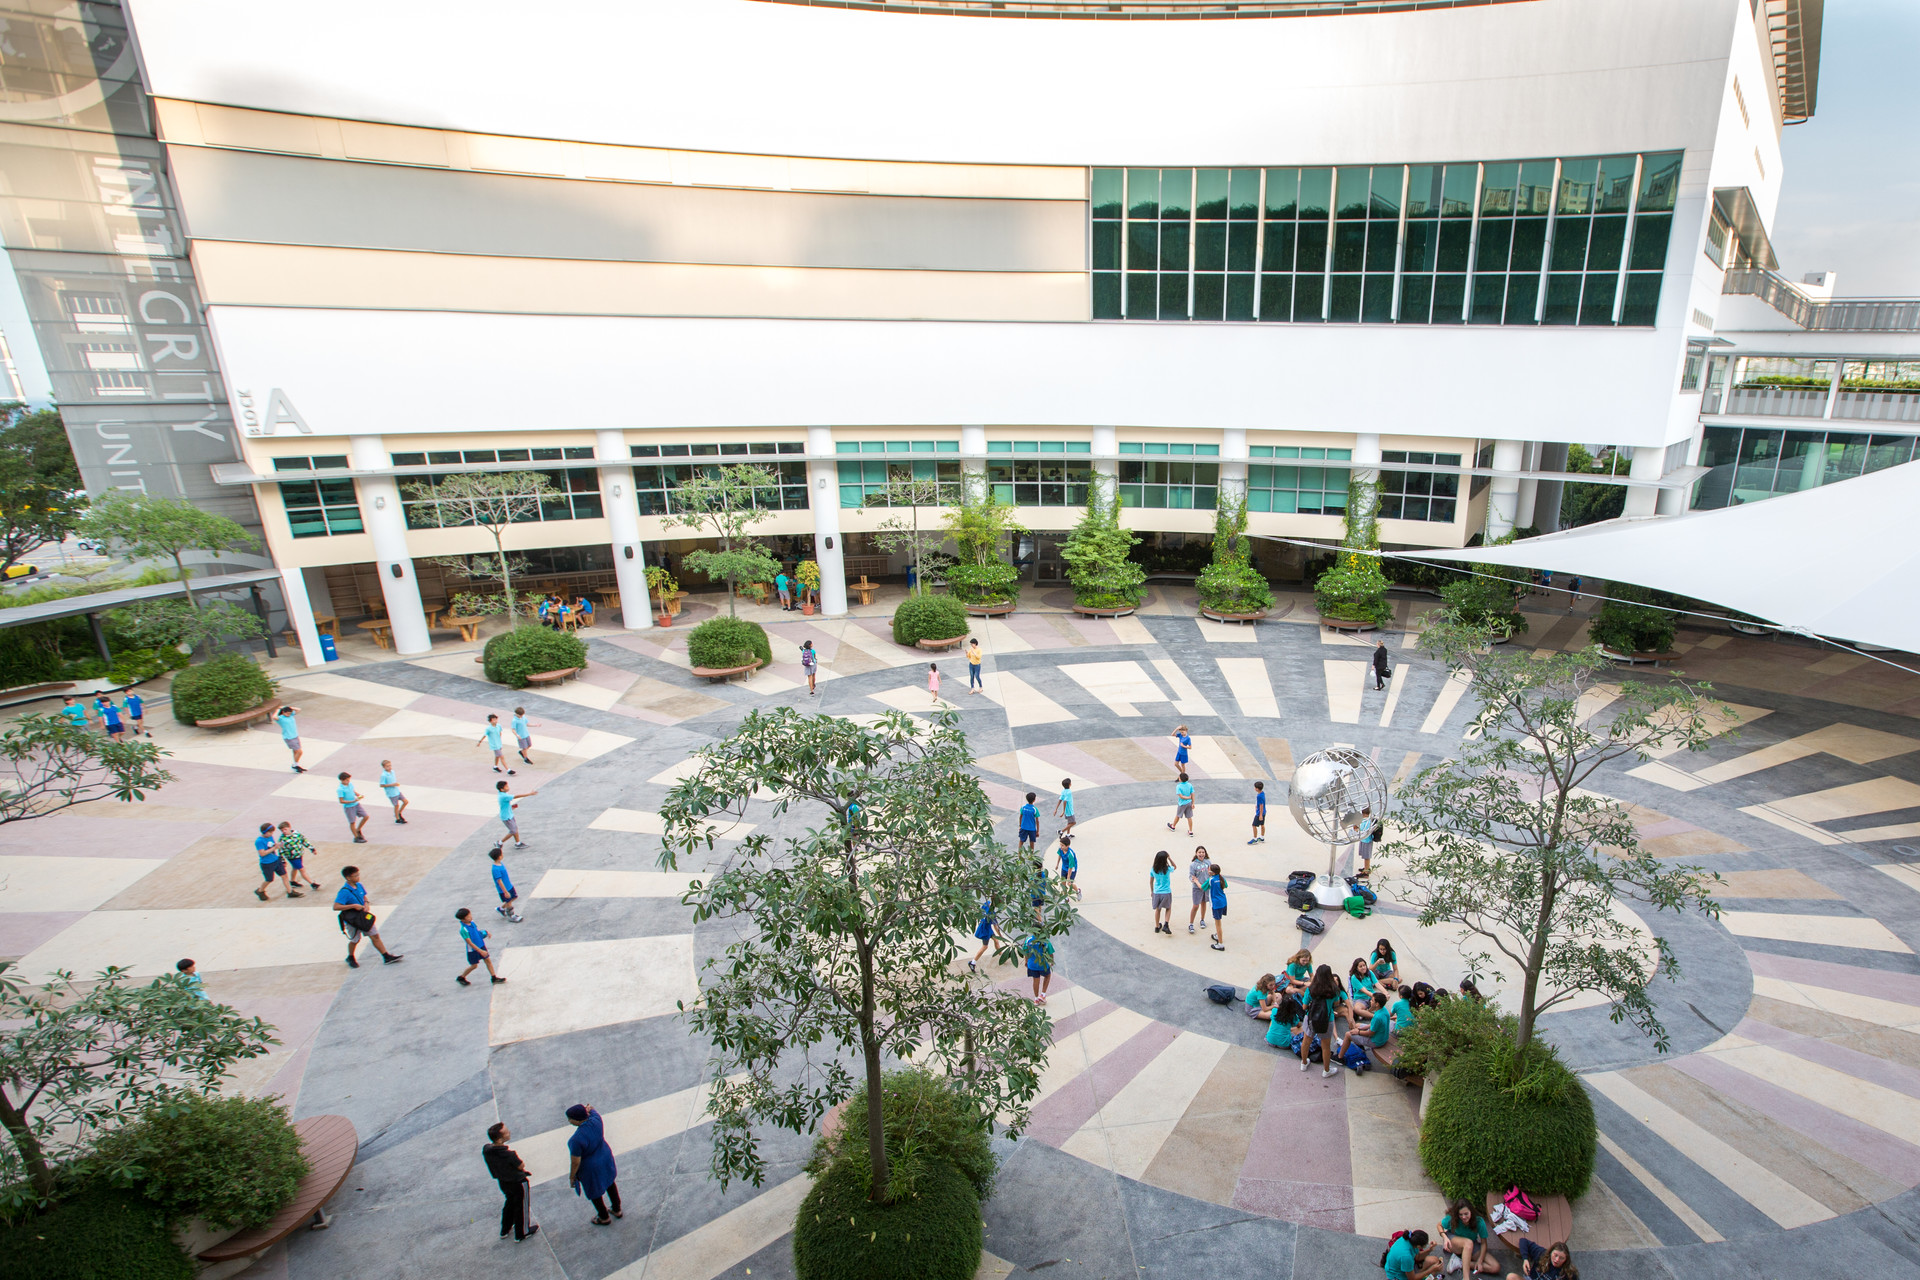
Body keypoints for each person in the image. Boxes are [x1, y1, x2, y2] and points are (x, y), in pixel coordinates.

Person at [334, 866, 402, 967]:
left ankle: (386, 956)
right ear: (348, 878)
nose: (358, 877)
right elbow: (336, 906)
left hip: (362, 916)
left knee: (375, 935)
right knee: (355, 939)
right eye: (355, 876)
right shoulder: (344, 891)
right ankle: (350, 957)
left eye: (358, 874)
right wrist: (353, 906)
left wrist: (366, 903)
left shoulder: (359, 885)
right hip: (352, 919)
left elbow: (364, 896)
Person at [483, 1122, 540, 1243]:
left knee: (509, 1203)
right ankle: (522, 1232)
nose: (509, 1133)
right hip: (518, 1182)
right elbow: (521, 1166)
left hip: (503, 1182)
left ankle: (505, 1229)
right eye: (506, 1132)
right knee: (522, 1206)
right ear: (499, 1139)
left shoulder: (487, 1150)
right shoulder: (509, 1155)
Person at [565, 1104, 622, 1225]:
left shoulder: (575, 1140)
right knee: (610, 1183)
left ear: (577, 1120)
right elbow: (593, 1110)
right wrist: (589, 1109)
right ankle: (617, 1209)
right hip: (605, 1157)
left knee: (594, 1192)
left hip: (590, 1168)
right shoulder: (596, 1119)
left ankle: (604, 1217)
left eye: (570, 1119)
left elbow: (575, 1161)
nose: (569, 1121)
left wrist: (572, 1176)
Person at [1438, 1200, 1500, 1275]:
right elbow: (1439, 1225)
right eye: (1460, 1214)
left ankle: (1459, 1263)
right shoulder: (1452, 1217)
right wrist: (1445, 1237)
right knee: (1468, 1243)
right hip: (1453, 1240)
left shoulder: (1479, 1221)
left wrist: (1479, 1261)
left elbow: (1484, 1243)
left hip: (1471, 1245)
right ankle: (1466, 1277)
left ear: (1471, 1211)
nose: (1463, 1217)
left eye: (1466, 1214)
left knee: (1495, 1267)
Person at [1303, 965, 1342, 1077]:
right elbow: (1336, 1004)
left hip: (1310, 1018)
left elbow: (1304, 1007)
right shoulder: (1334, 990)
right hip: (1327, 1020)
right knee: (1326, 1046)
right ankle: (1326, 1070)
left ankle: (1304, 1063)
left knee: (1306, 1042)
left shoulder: (1311, 989)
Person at [455, 908, 505, 986]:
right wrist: (480, 951)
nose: (471, 917)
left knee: (488, 960)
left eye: (470, 915)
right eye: (468, 916)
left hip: (481, 945)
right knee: (474, 965)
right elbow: (469, 942)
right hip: (473, 950)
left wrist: (485, 932)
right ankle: (461, 977)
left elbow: (477, 933)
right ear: (463, 919)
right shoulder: (463, 930)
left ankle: (494, 977)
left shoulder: (472, 923)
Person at [253, 822, 299, 901]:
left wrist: (277, 845)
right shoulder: (259, 841)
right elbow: (262, 853)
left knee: (284, 875)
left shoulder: (270, 837)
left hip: (275, 860)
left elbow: (272, 845)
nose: (272, 834)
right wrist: (274, 848)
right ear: (265, 832)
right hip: (267, 863)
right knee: (269, 879)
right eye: (270, 832)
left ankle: (290, 892)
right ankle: (260, 891)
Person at [276, 820, 324, 891]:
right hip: (292, 857)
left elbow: (304, 841)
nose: (284, 831)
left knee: (295, 868)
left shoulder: (296, 834)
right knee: (302, 869)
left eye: (285, 829)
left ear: (289, 827)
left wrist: (311, 848)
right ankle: (312, 883)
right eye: (282, 830)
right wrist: (282, 861)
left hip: (299, 854)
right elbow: (281, 850)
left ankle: (292, 881)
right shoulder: (282, 839)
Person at [1507, 1239, 1577, 1280]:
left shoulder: (1569, 1273)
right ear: (1551, 1252)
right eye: (1555, 1255)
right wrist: (1525, 1259)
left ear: (1566, 1259)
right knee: (1511, 1277)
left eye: (1561, 1258)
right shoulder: (1542, 1254)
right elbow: (1523, 1241)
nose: (1557, 1260)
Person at [497, 781, 538, 849]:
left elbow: (505, 804)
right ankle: (500, 842)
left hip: (509, 814)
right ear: (502, 789)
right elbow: (516, 796)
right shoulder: (504, 796)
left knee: (515, 829)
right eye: (506, 786)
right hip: (506, 817)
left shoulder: (503, 794)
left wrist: (511, 807)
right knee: (513, 831)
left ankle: (518, 843)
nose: (508, 787)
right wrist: (529, 794)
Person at [336, 771, 371, 843]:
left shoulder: (350, 784)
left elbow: (353, 791)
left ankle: (358, 829)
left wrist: (358, 795)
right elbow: (341, 801)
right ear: (342, 780)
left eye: (349, 780)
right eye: (347, 780)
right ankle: (356, 837)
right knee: (352, 822)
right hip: (349, 807)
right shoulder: (340, 789)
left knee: (366, 816)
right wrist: (352, 801)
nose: (348, 781)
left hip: (356, 804)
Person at [491, 846, 523, 922]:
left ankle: (501, 909)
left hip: (509, 886)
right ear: (499, 856)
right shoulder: (495, 869)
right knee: (509, 902)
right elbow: (499, 881)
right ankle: (511, 916)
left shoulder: (500, 863)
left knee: (514, 897)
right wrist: (505, 892)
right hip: (504, 889)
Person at [1023, 931, 1054, 1004]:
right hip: (1043, 964)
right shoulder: (1045, 940)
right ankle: (1043, 994)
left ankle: (1036, 999)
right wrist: (1051, 961)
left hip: (1032, 964)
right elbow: (1050, 952)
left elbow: (1026, 952)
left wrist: (1026, 961)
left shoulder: (1028, 940)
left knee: (1036, 980)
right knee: (1047, 976)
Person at [968, 897, 998, 972]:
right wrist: (1000, 935)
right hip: (985, 930)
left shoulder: (986, 903)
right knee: (985, 946)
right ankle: (972, 962)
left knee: (996, 940)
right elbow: (996, 926)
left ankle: (1003, 955)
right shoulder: (992, 914)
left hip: (986, 928)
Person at [1186, 848, 1212, 934]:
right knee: (1196, 906)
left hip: (1206, 887)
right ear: (1196, 854)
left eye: (1203, 852)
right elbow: (1191, 877)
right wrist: (1196, 883)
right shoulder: (1193, 865)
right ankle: (1191, 924)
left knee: (1204, 903)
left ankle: (1202, 920)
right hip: (1197, 888)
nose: (1201, 854)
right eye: (1199, 852)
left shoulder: (1208, 862)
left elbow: (1210, 872)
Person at [1345, 957, 1379, 1023]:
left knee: (1382, 1007)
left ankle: (1367, 1013)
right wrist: (1375, 996)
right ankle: (1375, 1016)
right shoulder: (1354, 977)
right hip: (1360, 999)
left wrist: (1385, 993)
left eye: (1364, 965)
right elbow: (1364, 991)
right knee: (1357, 1009)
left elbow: (1377, 984)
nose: (1363, 967)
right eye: (1360, 966)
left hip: (1371, 997)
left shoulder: (1369, 973)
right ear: (1356, 968)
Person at [1149, 850, 1174, 935]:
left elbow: (1151, 881)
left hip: (1157, 892)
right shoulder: (1167, 869)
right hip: (1166, 892)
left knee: (1158, 909)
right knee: (1168, 907)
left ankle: (1157, 926)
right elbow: (1175, 866)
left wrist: (1152, 891)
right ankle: (1166, 924)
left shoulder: (1153, 870)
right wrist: (1170, 858)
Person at [378, 759, 410, 824]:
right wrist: (391, 785)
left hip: (397, 791)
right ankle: (397, 818)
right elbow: (381, 785)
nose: (389, 767)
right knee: (396, 805)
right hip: (391, 793)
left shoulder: (392, 772)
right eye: (387, 766)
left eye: (390, 766)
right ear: (384, 767)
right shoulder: (384, 775)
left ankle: (398, 813)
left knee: (405, 802)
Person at [275, 705, 305, 772]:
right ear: (283, 712)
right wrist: (278, 709)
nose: (289, 714)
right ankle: (295, 765)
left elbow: (299, 709)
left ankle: (296, 765)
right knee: (300, 752)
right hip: (289, 738)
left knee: (295, 752)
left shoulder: (291, 715)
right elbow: (274, 717)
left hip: (295, 736)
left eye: (289, 713)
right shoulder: (280, 718)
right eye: (287, 713)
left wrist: (288, 707)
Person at [1207, 862, 1228, 951]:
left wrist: (1196, 881)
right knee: (1219, 921)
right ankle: (1217, 935)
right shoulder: (1221, 878)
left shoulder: (1211, 880)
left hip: (1216, 904)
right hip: (1223, 902)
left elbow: (1202, 887)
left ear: (1212, 872)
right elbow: (1226, 885)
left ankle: (1220, 944)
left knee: (1218, 923)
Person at [1166, 771, 1195, 836]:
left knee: (1178, 815)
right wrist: (1192, 802)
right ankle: (1190, 831)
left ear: (1180, 779)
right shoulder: (1190, 785)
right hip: (1189, 803)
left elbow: (1181, 796)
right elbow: (1193, 794)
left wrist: (1188, 798)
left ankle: (1173, 826)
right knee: (1189, 817)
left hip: (1182, 804)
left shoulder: (1179, 786)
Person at [1359, 809, 1383, 877]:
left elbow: (1361, 830)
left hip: (1366, 840)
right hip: (1366, 840)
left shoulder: (1366, 822)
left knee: (1366, 856)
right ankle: (1366, 868)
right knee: (1365, 856)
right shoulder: (1369, 821)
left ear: (1363, 814)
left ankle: (1366, 872)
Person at [1248, 779, 1266, 845]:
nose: (1254, 788)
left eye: (1255, 787)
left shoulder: (1259, 796)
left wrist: (1260, 815)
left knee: (1254, 825)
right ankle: (1262, 837)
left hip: (1259, 813)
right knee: (1262, 824)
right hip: (1264, 812)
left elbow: (1261, 805)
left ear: (1257, 789)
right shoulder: (1262, 793)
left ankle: (1255, 839)